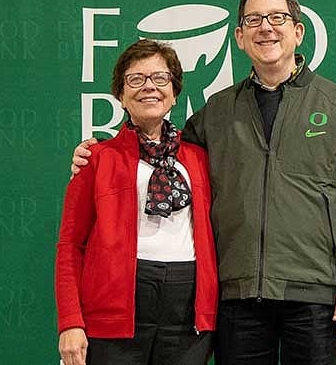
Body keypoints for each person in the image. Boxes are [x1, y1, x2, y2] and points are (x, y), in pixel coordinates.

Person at [72, 0, 336, 364]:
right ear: (239, 37)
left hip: (316, 294)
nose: (265, 27)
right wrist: (97, 154)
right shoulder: (218, 110)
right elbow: (158, 148)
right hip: (237, 297)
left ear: (298, 31)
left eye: (277, 18)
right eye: (253, 20)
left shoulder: (335, 104)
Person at [56, 39, 218, 365]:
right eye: (136, 79)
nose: (149, 88)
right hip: (115, 312)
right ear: (120, 94)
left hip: (188, 314)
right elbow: (70, 246)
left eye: (160, 79)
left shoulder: (200, 158)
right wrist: (70, 322)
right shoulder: (96, 158)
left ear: (174, 93)